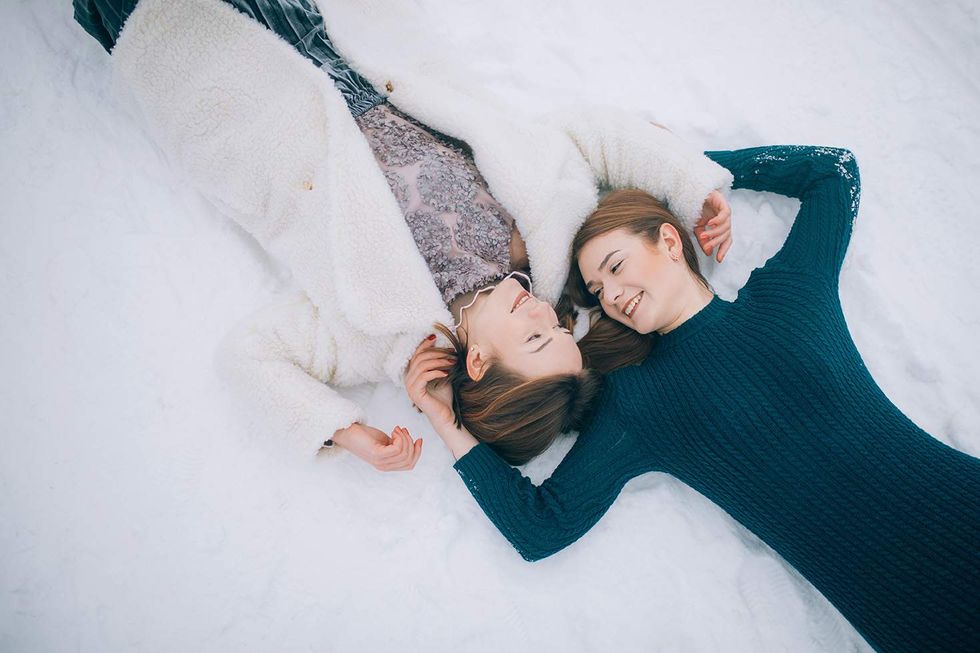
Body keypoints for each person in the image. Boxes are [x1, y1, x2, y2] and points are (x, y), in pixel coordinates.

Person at [73, 0, 734, 469]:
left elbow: (249, 356)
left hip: (238, 89)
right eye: (560, 331)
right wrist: (689, 185)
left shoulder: (380, 335)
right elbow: (591, 136)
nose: (546, 312)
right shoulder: (549, 240)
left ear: (478, 364)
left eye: (536, 336)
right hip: (339, 36)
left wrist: (341, 430)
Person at [407, 145, 980, 652]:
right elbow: (540, 528)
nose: (615, 296)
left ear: (668, 239)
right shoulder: (637, 402)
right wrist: (443, 418)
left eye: (616, 267)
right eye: (600, 292)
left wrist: (696, 176)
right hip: (916, 619)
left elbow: (835, 172)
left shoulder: (788, 296)